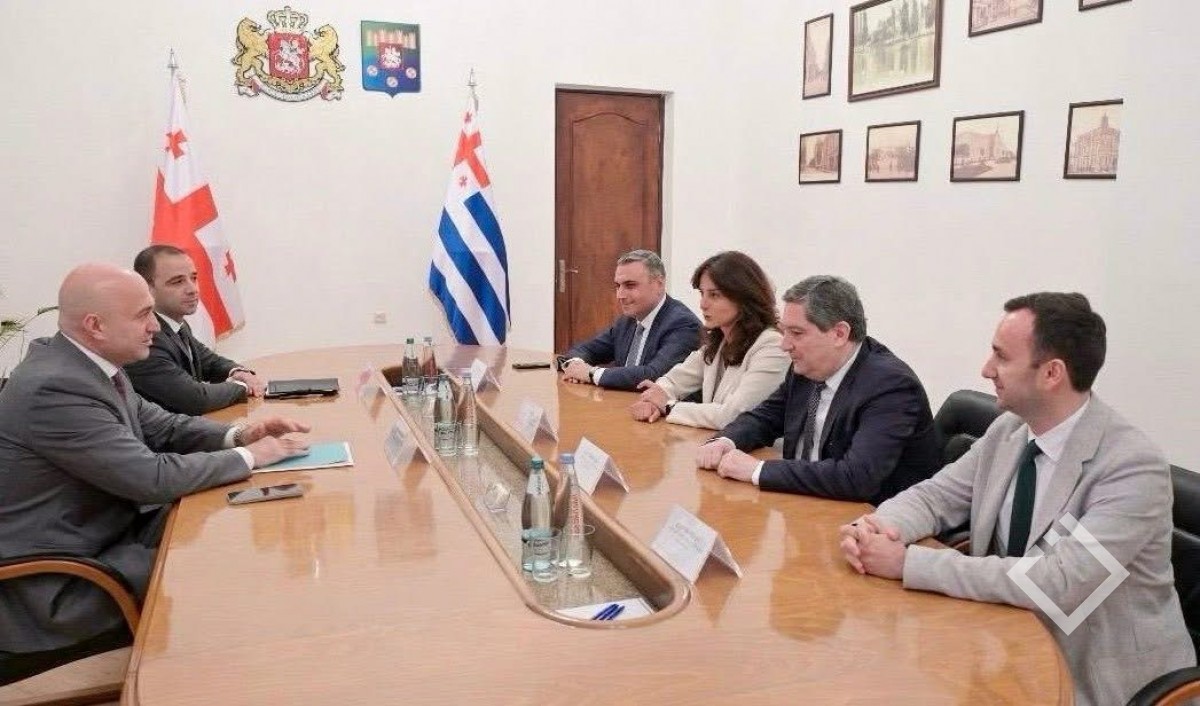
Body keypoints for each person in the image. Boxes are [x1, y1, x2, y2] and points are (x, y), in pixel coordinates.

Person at [839, 293, 1195, 705]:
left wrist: (906, 563)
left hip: (1094, 679)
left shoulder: (1132, 467)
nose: (986, 369)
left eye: (1002, 357)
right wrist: (877, 529)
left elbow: (1058, 582)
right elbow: (936, 496)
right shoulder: (1009, 431)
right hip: (1001, 643)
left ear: (1051, 373)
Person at [0, 263, 310, 655]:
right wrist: (251, 456)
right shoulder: (55, 387)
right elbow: (152, 478)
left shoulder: (90, 364)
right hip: (62, 584)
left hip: (109, 533)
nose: (155, 327)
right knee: (218, 569)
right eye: (143, 315)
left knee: (228, 528)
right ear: (96, 326)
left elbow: (163, 426)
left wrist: (242, 434)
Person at [695, 275, 940, 505]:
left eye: (796, 333)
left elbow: (856, 477)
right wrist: (726, 441)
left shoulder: (890, 386)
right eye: (784, 331)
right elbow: (764, 418)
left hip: (870, 520)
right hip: (807, 504)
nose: (784, 345)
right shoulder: (809, 368)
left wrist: (758, 470)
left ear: (839, 334)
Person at [629, 251, 788, 429]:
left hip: (753, 446)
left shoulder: (772, 347)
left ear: (744, 297)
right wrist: (654, 400)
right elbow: (673, 381)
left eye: (714, 295)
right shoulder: (719, 342)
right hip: (714, 442)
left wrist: (668, 406)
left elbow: (734, 416)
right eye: (702, 293)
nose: (703, 304)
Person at [124, 244, 265, 414]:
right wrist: (242, 386)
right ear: (146, 287)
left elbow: (210, 362)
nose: (193, 289)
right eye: (177, 282)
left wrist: (239, 372)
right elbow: (196, 399)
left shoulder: (177, 324)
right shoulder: (145, 338)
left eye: (194, 278)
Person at [559, 249, 701, 391]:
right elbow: (585, 349)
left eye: (630, 285)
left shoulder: (683, 324)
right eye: (618, 286)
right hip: (623, 402)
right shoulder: (627, 321)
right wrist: (575, 365)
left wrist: (591, 373)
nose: (620, 295)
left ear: (659, 284)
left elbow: (654, 376)